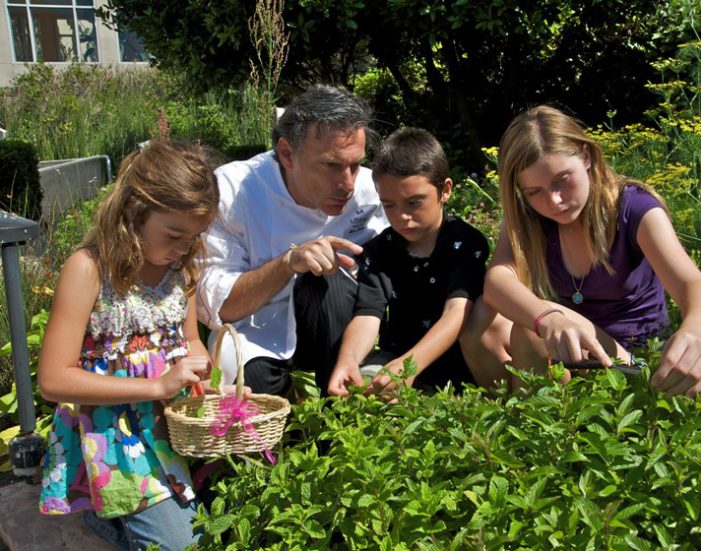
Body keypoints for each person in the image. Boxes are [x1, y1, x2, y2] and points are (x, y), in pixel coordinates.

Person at [461, 105, 701, 398]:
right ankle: (510, 408)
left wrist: (699, 331)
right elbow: (497, 282)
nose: (554, 200)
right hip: (572, 348)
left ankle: (534, 414)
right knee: (484, 317)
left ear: (586, 157)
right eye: (534, 192)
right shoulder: (530, 216)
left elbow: (691, 283)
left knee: (529, 332)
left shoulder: (634, 210)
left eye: (562, 180)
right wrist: (547, 317)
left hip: (634, 362)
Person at [37, 140, 220, 550]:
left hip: (173, 427)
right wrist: (156, 386)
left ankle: (123, 516)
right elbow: (53, 379)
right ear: (134, 213)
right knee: (182, 545)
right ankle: (100, 509)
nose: (185, 248)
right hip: (116, 437)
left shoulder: (179, 271)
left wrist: (203, 375)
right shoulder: (89, 270)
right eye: (174, 235)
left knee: (228, 511)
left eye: (194, 236)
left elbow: (191, 341)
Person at [197, 84, 389, 396]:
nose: (348, 184)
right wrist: (289, 263)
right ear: (287, 153)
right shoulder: (234, 191)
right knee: (247, 384)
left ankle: (337, 404)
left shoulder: (371, 190)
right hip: (256, 327)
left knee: (330, 276)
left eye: (355, 165)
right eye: (330, 165)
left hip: (337, 328)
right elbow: (216, 308)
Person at [327, 128, 488, 397]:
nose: (401, 216)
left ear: (445, 190)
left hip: (457, 362)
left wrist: (410, 366)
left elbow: (456, 313)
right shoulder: (380, 250)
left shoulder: (465, 243)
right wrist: (348, 360)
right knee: (366, 390)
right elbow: (368, 314)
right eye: (389, 205)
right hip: (395, 358)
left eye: (414, 202)